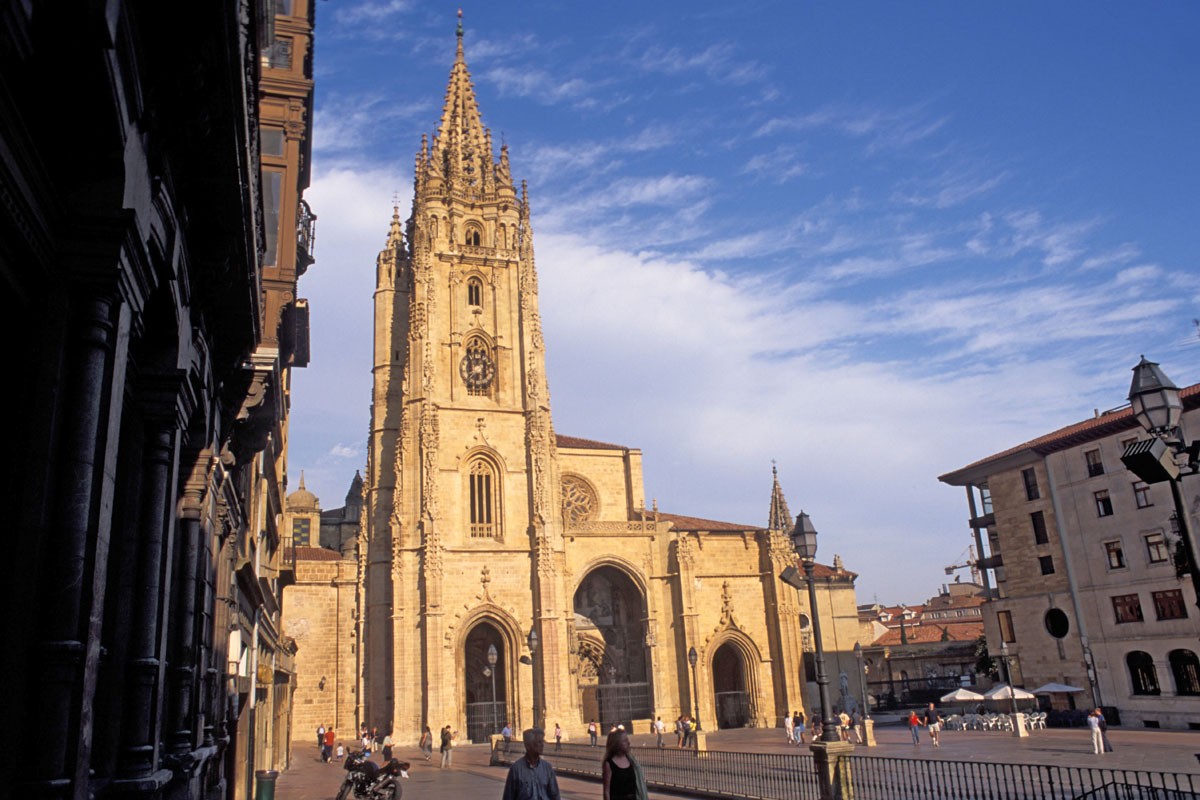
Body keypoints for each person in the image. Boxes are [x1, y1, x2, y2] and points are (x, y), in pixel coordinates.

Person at [501, 728, 561, 800]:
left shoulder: (547, 768)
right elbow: (508, 797)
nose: (542, 745)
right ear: (528, 746)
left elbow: (555, 796)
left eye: (542, 742)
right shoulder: (516, 770)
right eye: (538, 742)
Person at [601, 729, 649, 800]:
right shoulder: (609, 764)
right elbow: (606, 791)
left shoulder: (631, 760)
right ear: (617, 744)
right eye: (625, 741)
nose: (628, 743)